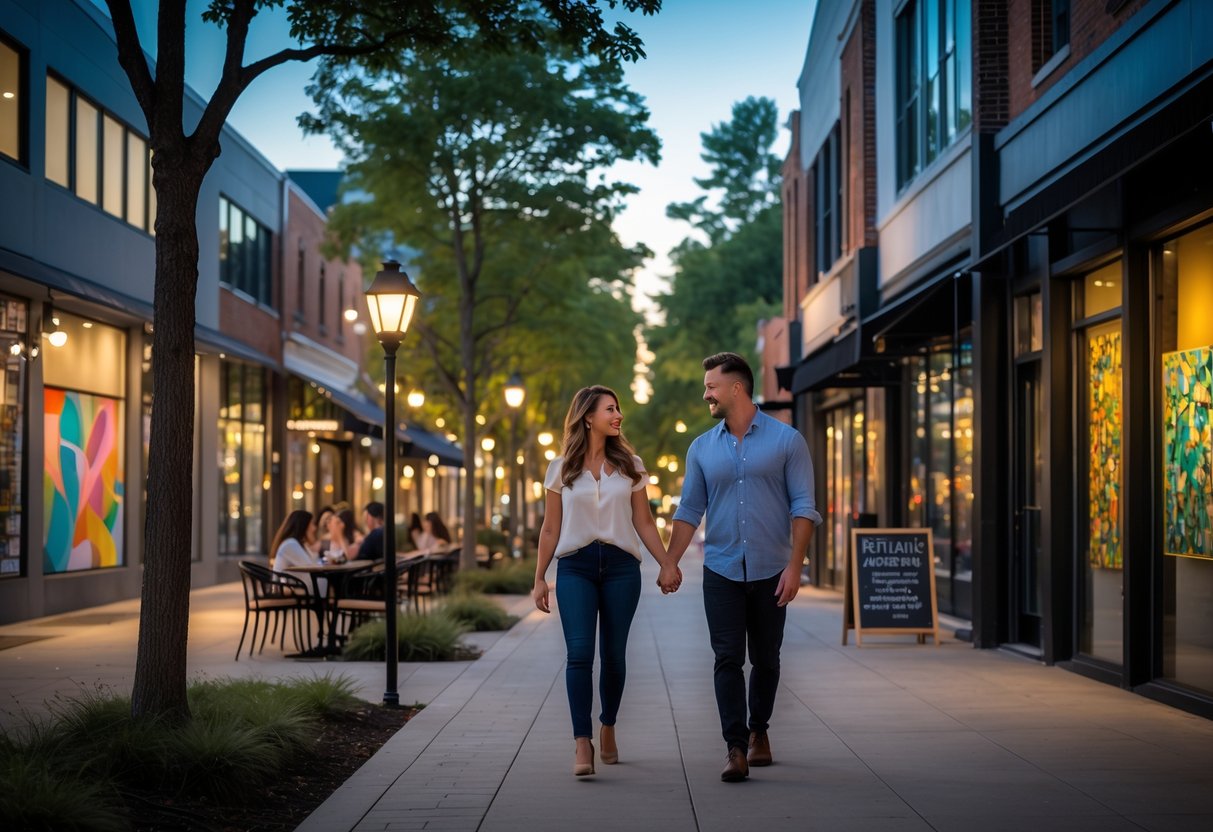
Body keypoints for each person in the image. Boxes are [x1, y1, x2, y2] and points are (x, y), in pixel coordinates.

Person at [664, 352, 821, 783]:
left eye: (711, 386)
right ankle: (735, 748)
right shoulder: (701, 448)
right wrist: (669, 562)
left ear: (737, 388)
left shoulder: (787, 441)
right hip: (721, 569)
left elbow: (804, 507)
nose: (705, 393)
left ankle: (759, 731)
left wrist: (795, 566)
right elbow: (690, 509)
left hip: (773, 568)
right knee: (727, 658)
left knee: (767, 658)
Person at [532, 385, 680, 777]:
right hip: (575, 567)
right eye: (610, 409)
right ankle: (583, 741)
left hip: (620, 568)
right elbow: (550, 528)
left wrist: (667, 563)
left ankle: (608, 723)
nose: (618, 416)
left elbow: (644, 522)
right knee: (579, 654)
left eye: (618, 409)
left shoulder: (631, 465)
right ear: (587, 417)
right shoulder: (560, 468)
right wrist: (539, 578)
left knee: (614, 656)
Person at [269, 510, 324, 594]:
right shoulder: (291, 544)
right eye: (312, 524)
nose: (315, 528)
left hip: (295, 588)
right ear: (303, 526)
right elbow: (311, 567)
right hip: (287, 591)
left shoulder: (298, 544)